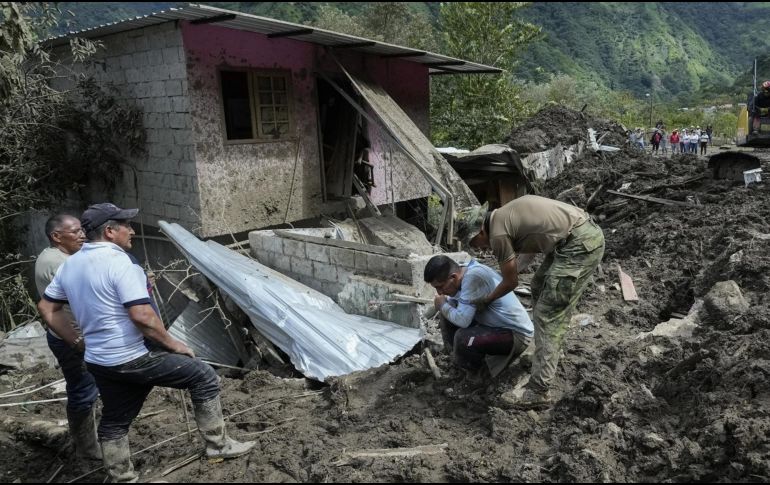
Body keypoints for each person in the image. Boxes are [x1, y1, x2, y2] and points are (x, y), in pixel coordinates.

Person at [38, 203, 256, 482]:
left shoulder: (72, 265)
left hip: (100, 360)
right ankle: (218, 445)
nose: (132, 231)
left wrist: (77, 341)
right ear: (109, 231)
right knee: (203, 376)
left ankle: (122, 477)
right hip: (130, 357)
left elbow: (46, 308)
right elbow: (142, 316)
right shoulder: (121, 263)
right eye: (126, 225)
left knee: (115, 420)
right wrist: (174, 343)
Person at [455, 195, 605, 408]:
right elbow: (530, 249)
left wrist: (487, 299)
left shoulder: (497, 234)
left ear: (480, 231)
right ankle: (546, 351)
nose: (478, 249)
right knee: (538, 286)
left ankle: (539, 390)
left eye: (474, 243)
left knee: (548, 313)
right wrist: (506, 275)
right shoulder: (505, 216)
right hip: (573, 238)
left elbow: (511, 282)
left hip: (579, 245)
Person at [34, 214, 101, 460]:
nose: (82, 235)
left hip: (68, 334)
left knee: (86, 387)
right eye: (75, 231)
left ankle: (87, 441)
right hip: (71, 337)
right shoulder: (60, 263)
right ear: (57, 236)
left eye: (82, 230)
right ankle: (87, 448)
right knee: (83, 390)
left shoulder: (56, 256)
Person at [423, 254, 533, 379]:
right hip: (495, 327)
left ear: (453, 277)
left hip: (516, 335)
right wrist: (443, 305)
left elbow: (463, 321)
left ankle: (475, 376)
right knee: (447, 314)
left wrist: (442, 305)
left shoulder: (473, 278)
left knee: (463, 338)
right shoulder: (463, 273)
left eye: (440, 287)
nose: (439, 292)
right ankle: (456, 359)